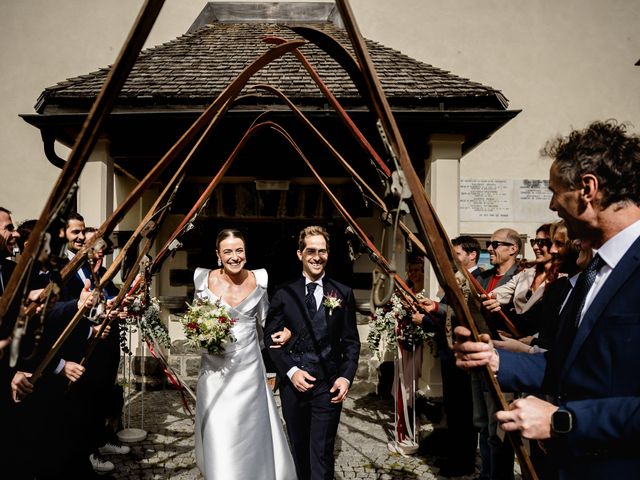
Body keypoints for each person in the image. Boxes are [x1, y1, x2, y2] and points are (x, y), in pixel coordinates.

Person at [454, 120, 640, 479]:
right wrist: (497, 361)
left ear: (588, 189)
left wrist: (562, 421)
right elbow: (566, 366)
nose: (553, 205)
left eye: (556, 192)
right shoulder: (591, 273)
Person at [193, 228, 297, 480]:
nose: (234, 256)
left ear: (246, 253)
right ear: (218, 254)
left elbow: (268, 321)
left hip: (248, 369)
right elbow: (194, 321)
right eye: (227, 251)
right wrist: (202, 335)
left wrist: (287, 332)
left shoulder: (259, 281)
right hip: (214, 369)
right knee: (219, 428)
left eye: (239, 250)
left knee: (249, 429)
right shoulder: (202, 279)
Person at [264, 226, 360, 480]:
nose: (317, 257)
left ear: (328, 253)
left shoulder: (343, 293)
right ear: (300, 254)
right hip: (292, 387)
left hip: (328, 386)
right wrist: (292, 371)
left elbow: (351, 342)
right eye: (311, 251)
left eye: (322, 251)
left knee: (322, 453)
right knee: (298, 450)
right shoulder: (284, 293)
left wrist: (346, 377)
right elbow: (270, 339)